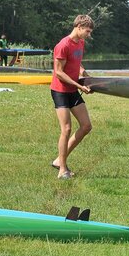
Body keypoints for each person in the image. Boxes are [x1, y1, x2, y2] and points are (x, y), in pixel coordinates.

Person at [50, 15, 95, 179]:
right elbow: (59, 72)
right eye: (87, 31)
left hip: (72, 90)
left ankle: (58, 161)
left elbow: (77, 63)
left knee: (86, 126)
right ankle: (62, 169)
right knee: (66, 129)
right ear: (79, 27)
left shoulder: (80, 43)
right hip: (60, 90)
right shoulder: (63, 45)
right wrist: (78, 85)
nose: (88, 35)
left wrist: (85, 75)